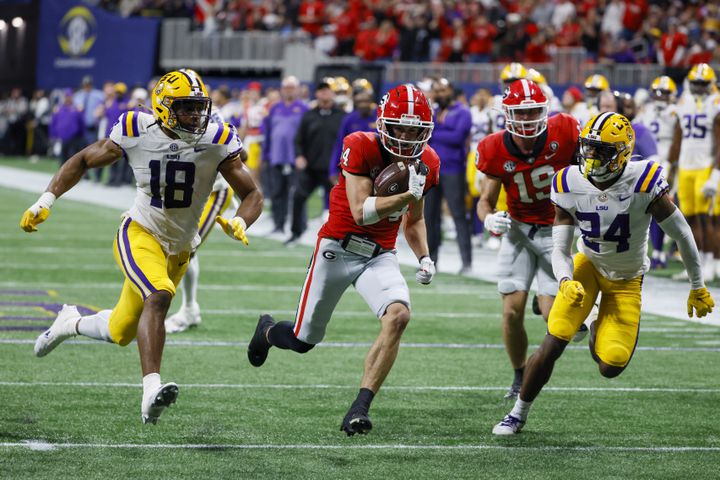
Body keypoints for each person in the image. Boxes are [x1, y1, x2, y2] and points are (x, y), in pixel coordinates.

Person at [21, 70, 263, 424]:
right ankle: (151, 390)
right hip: (140, 231)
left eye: (199, 108)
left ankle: (68, 322)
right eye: (187, 108)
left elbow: (252, 193)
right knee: (159, 295)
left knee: (120, 331)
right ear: (165, 108)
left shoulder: (217, 137)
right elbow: (84, 160)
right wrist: (46, 200)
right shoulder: (136, 129)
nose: (197, 116)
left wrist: (242, 220)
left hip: (179, 246)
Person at [493, 112, 715, 435]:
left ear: (623, 153)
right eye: (588, 148)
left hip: (626, 280)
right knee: (554, 339)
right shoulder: (569, 182)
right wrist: (565, 280)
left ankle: (597, 323)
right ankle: (517, 413)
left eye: (602, 151)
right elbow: (560, 247)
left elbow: (682, 234)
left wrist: (697, 285)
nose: (592, 157)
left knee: (610, 366)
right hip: (589, 267)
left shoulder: (644, 181)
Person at [246, 85, 440, 436]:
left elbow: (415, 218)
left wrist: (425, 256)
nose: (409, 136)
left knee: (398, 316)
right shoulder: (360, 144)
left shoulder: (428, 162)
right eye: (402, 128)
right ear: (385, 124)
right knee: (304, 341)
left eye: (416, 130)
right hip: (337, 249)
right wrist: (408, 194)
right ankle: (268, 331)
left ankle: (360, 407)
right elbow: (361, 212)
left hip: (380, 255)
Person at [476, 79, 581, 400]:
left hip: (557, 231)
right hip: (520, 231)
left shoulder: (564, 130)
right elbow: (485, 201)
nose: (527, 119)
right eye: (520, 113)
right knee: (511, 311)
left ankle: (548, 306)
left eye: (534, 111)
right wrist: (489, 218)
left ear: (545, 110)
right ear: (507, 114)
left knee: (555, 318)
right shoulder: (494, 147)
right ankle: (519, 374)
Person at [669, 63, 720, 282]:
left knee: (707, 217)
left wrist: (715, 174)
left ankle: (711, 264)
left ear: (711, 84)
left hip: (705, 166)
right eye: (695, 83)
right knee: (688, 219)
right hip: (685, 167)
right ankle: (698, 264)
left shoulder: (715, 103)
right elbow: (678, 137)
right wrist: (670, 166)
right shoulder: (684, 101)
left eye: (703, 84)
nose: (698, 88)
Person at [285, 80, 344, 245]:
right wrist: (299, 156)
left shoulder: (342, 116)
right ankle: (296, 233)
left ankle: (338, 237)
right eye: (321, 90)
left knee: (340, 205)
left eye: (327, 90)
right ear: (316, 94)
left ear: (333, 93)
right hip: (311, 168)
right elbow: (298, 140)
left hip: (333, 170)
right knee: (297, 197)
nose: (324, 93)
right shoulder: (309, 115)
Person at [425, 77, 473, 273]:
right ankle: (431, 260)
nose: (440, 94)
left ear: (451, 91)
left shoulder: (462, 111)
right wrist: (441, 130)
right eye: (437, 90)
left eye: (444, 90)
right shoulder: (433, 112)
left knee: (458, 215)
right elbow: (424, 134)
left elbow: (457, 137)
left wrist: (435, 130)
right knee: (430, 217)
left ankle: (467, 262)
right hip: (431, 170)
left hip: (454, 169)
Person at [634, 76, 678, 268]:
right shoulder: (645, 112)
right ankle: (657, 252)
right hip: (650, 165)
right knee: (651, 208)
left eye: (664, 93)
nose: (660, 97)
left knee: (670, 208)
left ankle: (670, 250)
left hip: (671, 165)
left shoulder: (676, 112)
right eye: (657, 93)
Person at [262, 75, 308, 235]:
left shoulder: (303, 109)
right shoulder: (274, 108)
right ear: (282, 90)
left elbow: (307, 134)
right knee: (277, 193)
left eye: (292, 87)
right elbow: (267, 133)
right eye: (286, 87)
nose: (289, 91)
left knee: (298, 194)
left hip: (296, 158)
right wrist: (265, 155)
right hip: (276, 156)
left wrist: (304, 155)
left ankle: (299, 227)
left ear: (297, 90)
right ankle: (278, 225)